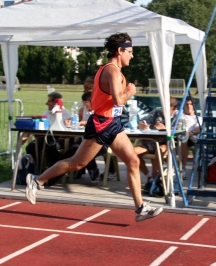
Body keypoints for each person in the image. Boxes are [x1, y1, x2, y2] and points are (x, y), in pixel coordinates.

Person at [25, 32, 163, 222]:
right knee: (77, 163)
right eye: (129, 52)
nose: (132, 55)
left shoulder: (115, 70)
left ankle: (140, 208)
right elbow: (117, 101)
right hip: (101, 124)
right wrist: (130, 92)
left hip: (113, 124)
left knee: (133, 161)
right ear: (119, 50)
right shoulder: (112, 71)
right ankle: (37, 180)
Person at [62, 91, 116, 183]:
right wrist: (70, 121)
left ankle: (95, 174)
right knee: (73, 150)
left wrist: (86, 123)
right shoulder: (83, 110)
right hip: (87, 139)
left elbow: (104, 124)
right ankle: (60, 170)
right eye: (83, 102)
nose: (84, 105)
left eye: (86, 102)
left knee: (86, 152)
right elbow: (76, 120)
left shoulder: (102, 110)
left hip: (100, 141)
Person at [23, 91, 71, 186]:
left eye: (48, 101)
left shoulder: (65, 112)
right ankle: (39, 170)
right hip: (46, 136)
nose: (46, 103)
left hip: (60, 137)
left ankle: (53, 172)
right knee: (31, 147)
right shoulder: (46, 112)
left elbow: (67, 128)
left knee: (52, 148)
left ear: (55, 103)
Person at [133, 97, 178, 187]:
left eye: (166, 109)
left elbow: (180, 131)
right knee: (132, 152)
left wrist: (166, 129)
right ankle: (149, 176)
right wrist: (142, 125)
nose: (162, 110)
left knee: (159, 150)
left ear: (174, 109)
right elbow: (143, 121)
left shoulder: (178, 115)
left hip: (167, 144)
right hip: (151, 142)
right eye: (162, 107)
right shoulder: (156, 111)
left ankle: (154, 179)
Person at [181, 96, 202, 180]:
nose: (188, 106)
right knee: (183, 138)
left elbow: (198, 128)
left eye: (190, 104)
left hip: (192, 137)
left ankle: (183, 167)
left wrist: (192, 132)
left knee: (185, 139)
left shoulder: (198, 118)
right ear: (183, 105)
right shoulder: (180, 115)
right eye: (186, 104)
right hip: (180, 135)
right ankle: (182, 167)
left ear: (194, 106)